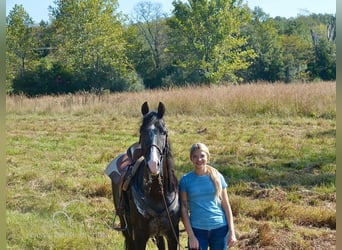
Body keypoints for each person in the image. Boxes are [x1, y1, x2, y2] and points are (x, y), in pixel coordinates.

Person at [179, 143, 237, 250]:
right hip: (197, 230)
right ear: (191, 158)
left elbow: (226, 205)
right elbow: (183, 209)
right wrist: (191, 236)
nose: (199, 159)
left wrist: (232, 231)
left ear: (207, 157)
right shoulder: (185, 180)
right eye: (195, 156)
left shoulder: (217, 177)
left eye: (202, 156)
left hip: (220, 228)